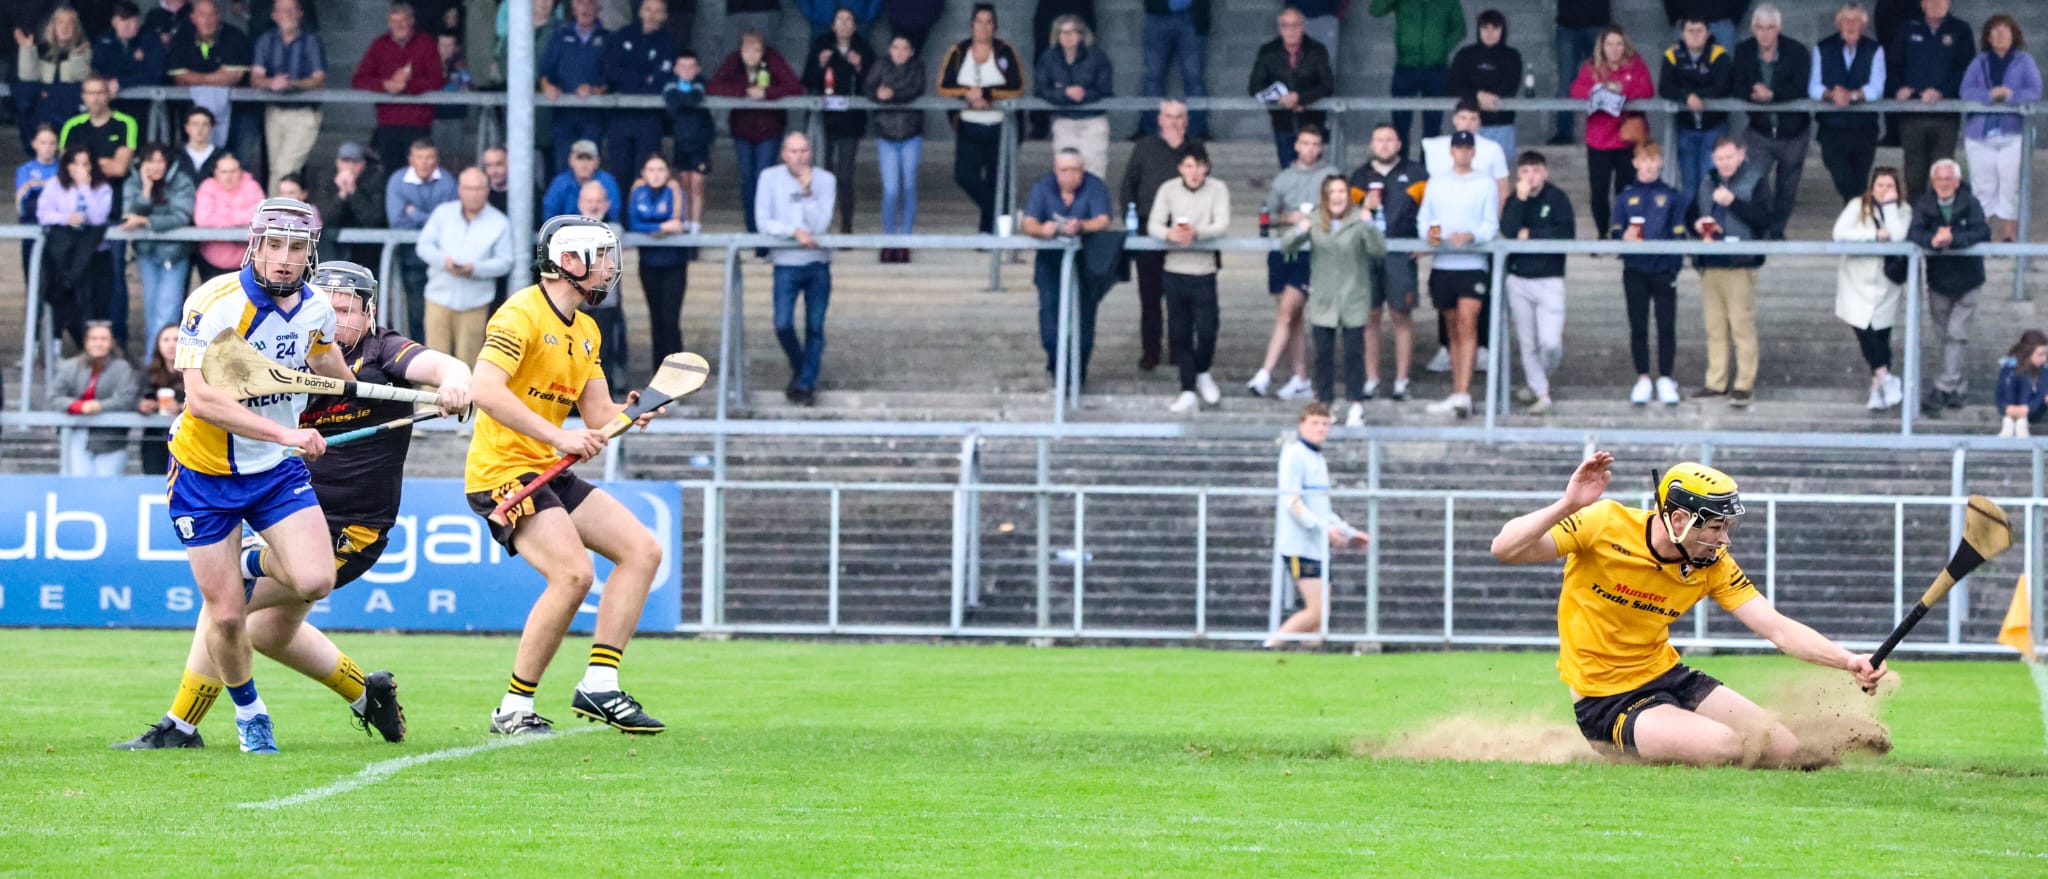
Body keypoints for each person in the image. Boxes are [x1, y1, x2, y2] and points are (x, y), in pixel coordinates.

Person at [114, 261, 467, 752]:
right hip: (286, 511)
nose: (337, 318)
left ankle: (181, 725)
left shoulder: (384, 351)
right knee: (269, 632)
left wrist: (455, 383)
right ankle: (366, 696)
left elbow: (442, 367)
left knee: (228, 604)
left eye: (348, 309)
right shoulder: (288, 345)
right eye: (330, 306)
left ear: (369, 313)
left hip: (350, 530)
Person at [1491, 452, 1889, 767]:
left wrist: (1847, 660)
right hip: (1606, 700)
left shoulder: (1712, 564)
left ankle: (1674, 728)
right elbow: (1505, 549)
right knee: (1724, 746)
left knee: (1787, 752)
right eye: (1715, 528)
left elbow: (1777, 628)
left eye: (1726, 527)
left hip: (1669, 676)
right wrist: (1568, 504)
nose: (1724, 540)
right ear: (1679, 519)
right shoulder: (1603, 524)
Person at [160, 198, 352, 754]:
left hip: (273, 472)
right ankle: (250, 712)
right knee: (224, 618)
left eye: (296, 247)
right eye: (274, 245)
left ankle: (249, 561)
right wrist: (287, 433)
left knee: (316, 580)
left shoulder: (317, 309)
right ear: (255, 246)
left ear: (310, 253)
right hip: (204, 473)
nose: (284, 258)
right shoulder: (213, 302)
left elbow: (328, 368)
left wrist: (384, 393)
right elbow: (200, 400)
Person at [468, 215, 668, 736]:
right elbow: (484, 389)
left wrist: (633, 412)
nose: (609, 268)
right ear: (569, 261)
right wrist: (560, 437)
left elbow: (598, 414)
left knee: (642, 551)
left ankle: (600, 684)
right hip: (504, 471)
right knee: (574, 575)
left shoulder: (587, 330)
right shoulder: (520, 314)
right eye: (601, 258)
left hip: (548, 467)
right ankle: (513, 707)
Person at [1281, 175, 1388, 425]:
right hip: (1324, 298)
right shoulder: (1316, 220)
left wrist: (1370, 225)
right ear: (1325, 196)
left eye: (1342, 191)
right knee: (1322, 355)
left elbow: (1378, 250)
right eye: (1332, 192)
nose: (1338, 197)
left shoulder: (1358, 219)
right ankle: (1325, 403)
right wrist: (1300, 229)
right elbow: (1286, 246)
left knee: (1354, 353)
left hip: (1353, 296)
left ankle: (1356, 404)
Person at [1267, 402, 1370, 648]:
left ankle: (1305, 661)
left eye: (1325, 424)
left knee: (1318, 625)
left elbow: (1322, 508)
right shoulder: (1294, 455)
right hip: (1299, 545)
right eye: (1315, 423)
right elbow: (1292, 502)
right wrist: (1322, 529)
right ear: (1302, 425)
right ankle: (1269, 646)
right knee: (1317, 612)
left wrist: (1350, 532)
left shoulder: (1318, 459)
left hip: (1316, 546)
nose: (1320, 428)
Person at [1248, 124, 1334, 402]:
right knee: (1292, 318)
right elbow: (1268, 214)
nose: (1310, 149)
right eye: (1305, 143)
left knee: (1286, 313)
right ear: (1296, 146)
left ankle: (1265, 373)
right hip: (1283, 249)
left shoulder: (1330, 176)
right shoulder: (1283, 178)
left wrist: (1314, 219)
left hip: (1312, 252)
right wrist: (1289, 217)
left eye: (1315, 144)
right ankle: (1300, 378)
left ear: (1321, 148)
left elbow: (1339, 211)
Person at [1416, 131, 1498, 419]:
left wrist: (1471, 235)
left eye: (1467, 148)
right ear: (1451, 151)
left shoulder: (1485, 183)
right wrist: (1432, 236)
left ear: (1473, 152)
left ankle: (1464, 392)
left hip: (1473, 264)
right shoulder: (1437, 182)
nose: (1463, 152)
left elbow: (1490, 224)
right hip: (1443, 264)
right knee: (1452, 328)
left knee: (1468, 323)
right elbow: (1426, 219)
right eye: (1459, 147)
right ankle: (1457, 390)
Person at [1120, 100, 1203, 373]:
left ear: (1186, 121)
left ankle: (1180, 352)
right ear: (1160, 120)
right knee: (1150, 298)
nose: (1174, 122)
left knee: (1182, 298)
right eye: (1169, 116)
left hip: (1184, 233)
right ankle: (1151, 352)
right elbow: (1128, 186)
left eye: (1179, 117)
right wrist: (1131, 225)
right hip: (1149, 233)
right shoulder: (1144, 147)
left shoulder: (1196, 148)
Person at [756, 133, 837, 406]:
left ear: (810, 153)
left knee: (815, 326)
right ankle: (801, 366)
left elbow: (821, 225)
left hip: (817, 263)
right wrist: (794, 231)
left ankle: (806, 383)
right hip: (786, 263)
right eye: (793, 151)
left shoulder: (826, 180)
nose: (798, 157)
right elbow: (763, 221)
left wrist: (808, 192)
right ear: (783, 154)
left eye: (803, 151)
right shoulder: (769, 178)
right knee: (782, 324)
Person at [1348, 123, 1427, 402]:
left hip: (1400, 253)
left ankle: (1402, 381)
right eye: (1379, 140)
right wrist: (1364, 207)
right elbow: (1344, 215)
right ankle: (1371, 378)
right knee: (1369, 317)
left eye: (1389, 139)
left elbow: (1435, 210)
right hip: (1367, 252)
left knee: (1400, 315)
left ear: (1399, 144)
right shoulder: (1359, 177)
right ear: (1371, 144)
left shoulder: (1416, 173)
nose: (1384, 145)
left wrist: (1427, 241)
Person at [1150, 143, 1230, 416]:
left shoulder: (1218, 189)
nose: (1194, 172)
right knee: (1179, 332)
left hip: (1204, 270)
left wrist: (1198, 233)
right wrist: (1169, 234)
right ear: (1180, 168)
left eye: (1199, 166)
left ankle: (1203, 371)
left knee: (1207, 328)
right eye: (1188, 166)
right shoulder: (1168, 189)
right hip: (1174, 269)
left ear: (1207, 167)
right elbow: (1154, 223)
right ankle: (1187, 388)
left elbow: (1222, 224)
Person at [1022, 148, 1113, 386]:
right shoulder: (1043, 186)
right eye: (1064, 170)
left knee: (1084, 318)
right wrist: (1043, 230)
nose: (1069, 175)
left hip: (1086, 260)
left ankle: (1077, 374)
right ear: (1056, 170)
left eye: (1075, 170)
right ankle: (1057, 367)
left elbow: (1103, 219)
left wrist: (1081, 226)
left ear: (1083, 170)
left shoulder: (1094, 185)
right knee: (1050, 315)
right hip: (1050, 261)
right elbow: (1028, 222)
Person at [58, 76, 138, 344]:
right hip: (79, 216)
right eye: (90, 93)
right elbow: (66, 170)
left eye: (100, 92)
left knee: (114, 279)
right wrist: (103, 162)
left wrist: (85, 164)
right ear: (83, 96)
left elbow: (120, 168)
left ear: (108, 95)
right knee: (80, 276)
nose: (95, 98)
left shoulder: (125, 123)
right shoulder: (72, 126)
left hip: (113, 214)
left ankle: (119, 341)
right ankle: (86, 342)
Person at [1908, 158, 1989, 414]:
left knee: (1956, 333)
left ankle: (1943, 386)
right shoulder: (1924, 204)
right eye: (1939, 179)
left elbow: (1982, 232)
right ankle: (1958, 388)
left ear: (1957, 181)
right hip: (1939, 281)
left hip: (1968, 279)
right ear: (1933, 182)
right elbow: (1914, 233)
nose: (1944, 184)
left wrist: (1953, 238)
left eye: (1948, 179)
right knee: (1945, 337)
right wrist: (1933, 240)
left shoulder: (1970, 202)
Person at [706, 31, 801, 248]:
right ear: (740, 50)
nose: (751, 54)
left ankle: (765, 234)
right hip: (742, 131)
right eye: (747, 49)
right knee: (747, 180)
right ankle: (753, 230)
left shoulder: (773, 60)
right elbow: (713, 86)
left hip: (769, 130)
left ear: (763, 50)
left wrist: (767, 93)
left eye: (756, 49)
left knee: (763, 178)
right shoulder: (733, 62)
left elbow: (794, 86)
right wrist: (744, 91)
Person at [937, 4, 1026, 235]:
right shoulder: (958, 51)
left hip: (1000, 127)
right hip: (970, 126)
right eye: (979, 21)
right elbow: (943, 86)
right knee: (964, 175)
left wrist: (986, 95)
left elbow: (1017, 87)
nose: (983, 27)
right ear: (971, 25)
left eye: (988, 22)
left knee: (999, 180)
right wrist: (967, 93)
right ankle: (1001, 213)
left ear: (995, 26)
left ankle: (989, 233)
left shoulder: (1005, 51)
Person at [1498, 151, 1575, 415]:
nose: (1531, 176)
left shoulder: (1557, 198)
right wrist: (1520, 199)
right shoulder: (1514, 199)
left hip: (1550, 278)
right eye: (1525, 171)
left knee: (1550, 343)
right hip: (1519, 278)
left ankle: (1537, 379)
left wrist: (1530, 234)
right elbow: (1508, 229)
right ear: (1518, 174)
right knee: (1528, 342)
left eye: (1536, 170)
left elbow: (1566, 233)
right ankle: (1541, 391)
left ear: (1545, 172)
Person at [1611, 143, 1686, 406]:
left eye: (1654, 160)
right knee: (1638, 325)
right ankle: (1642, 377)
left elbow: (1679, 233)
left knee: (1666, 325)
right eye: (1644, 160)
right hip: (1635, 270)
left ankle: (1665, 377)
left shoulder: (1672, 196)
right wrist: (1623, 237)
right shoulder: (1624, 196)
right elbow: (1614, 232)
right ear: (1635, 163)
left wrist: (1674, 266)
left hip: (1663, 270)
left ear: (1661, 162)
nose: (1649, 165)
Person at [1831, 166, 1909, 411]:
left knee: (1881, 335)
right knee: (1863, 330)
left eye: (1890, 186)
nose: (1884, 190)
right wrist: (1874, 235)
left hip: (1886, 283)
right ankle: (1886, 378)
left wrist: (1890, 207)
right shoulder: (1857, 205)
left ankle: (1878, 386)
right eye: (1880, 185)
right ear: (1872, 187)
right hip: (1856, 280)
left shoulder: (1904, 210)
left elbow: (1898, 235)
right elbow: (1839, 233)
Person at [415, 168, 512, 365]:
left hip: (475, 302)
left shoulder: (499, 222)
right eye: (469, 188)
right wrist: (444, 261)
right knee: (433, 362)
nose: (474, 194)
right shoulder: (443, 213)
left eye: (479, 188)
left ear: (487, 190)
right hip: (438, 298)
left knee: (469, 362)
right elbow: (423, 246)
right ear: (460, 190)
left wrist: (475, 269)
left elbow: (505, 262)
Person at [1731, 4, 1810, 241]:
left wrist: (1773, 95)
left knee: (1787, 189)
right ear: (1753, 29)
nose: (1765, 34)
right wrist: (1751, 93)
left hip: (1793, 133)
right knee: (1754, 183)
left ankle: (1776, 231)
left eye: (1770, 28)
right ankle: (1757, 229)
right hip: (1760, 131)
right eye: (1760, 28)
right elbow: (1735, 84)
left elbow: (1801, 87)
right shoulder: (1744, 51)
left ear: (1779, 28)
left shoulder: (1796, 51)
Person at [1958, 15, 2039, 245]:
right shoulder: (1980, 61)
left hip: (2013, 133)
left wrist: (2010, 96)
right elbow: (1965, 91)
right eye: (1995, 30)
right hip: (1979, 134)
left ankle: (2009, 237)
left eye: (2005, 30)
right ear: (1988, 37)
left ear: (2014, 35)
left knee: (2009, 185)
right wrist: (1989, 95)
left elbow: (2034, 91)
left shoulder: (2024, 61)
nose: (2000, 35)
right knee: (1983, 187)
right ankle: (1982, 236)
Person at [1572, 25, 1654, 237]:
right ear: (1602, 46)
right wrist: (1599, 92)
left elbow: (1647, 90)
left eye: (1619, 44)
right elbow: (1577, 90)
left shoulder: (1636, 64)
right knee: (1598, 192)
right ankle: (1602, 233)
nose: (1614, 49)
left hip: (1627, 138)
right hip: (1598, 139)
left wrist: (1620, 93)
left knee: (1625, 190)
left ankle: (1621, 233)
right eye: (1609, 44)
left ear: (1625, 46)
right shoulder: (1591, 67)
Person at [1890, 0, 1973, 203]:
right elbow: (1893, 64)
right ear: (1923, 4)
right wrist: (1898, 88)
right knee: (1914, 174)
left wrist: (1943, 92)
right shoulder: (1908, 28)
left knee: (1943, 172)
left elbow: (1966, 69)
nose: (1936, 4)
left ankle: (1941, 217)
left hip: (1945, 116)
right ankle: (1916, 216)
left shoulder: (1960, 29)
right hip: (1912, 114)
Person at [165, 0, 255, 179]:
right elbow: (179, 78)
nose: (207, 20)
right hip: (193, 115)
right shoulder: (182, 36)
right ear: (193, 18)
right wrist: (216, 77)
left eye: (211, 15)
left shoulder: (234, 36)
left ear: (219, 16)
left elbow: (233, 77)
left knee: (235, 166)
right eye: (202, 15)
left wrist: (195, 78)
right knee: (196, 168)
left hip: (237, 115)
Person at [38, 145, 116, 350]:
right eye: (75, 164)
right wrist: (65, 218)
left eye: (85, 164)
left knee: (95, 302)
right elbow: (43, 213)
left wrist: (84, 188)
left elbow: (98, 218)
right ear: (67, 166)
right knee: (62, 299)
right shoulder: (55, 184)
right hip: (64, 257)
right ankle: (56, 346)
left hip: (95, 255)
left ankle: (96, 349)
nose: (80, 169)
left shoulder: (102, 187)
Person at [353, 1, 446, 171]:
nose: (399, 26)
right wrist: (385, 85)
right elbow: (359, 80)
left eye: (403, 21)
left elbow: (437, 81)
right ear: (388, 22)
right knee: (391, 173)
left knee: (420, 173)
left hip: (419, 123)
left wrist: (408, 86)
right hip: (387, 122)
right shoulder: (379, 45)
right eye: (394, 22)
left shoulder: (426, 43)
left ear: (412, 21)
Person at [804, 7, 873, 235]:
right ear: (833, 25)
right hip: (825, 119)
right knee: (822, 172)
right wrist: (820, 64)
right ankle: (820, 223)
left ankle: (846, 224)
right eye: (839, 20)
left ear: (855, 25)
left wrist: (860, 67)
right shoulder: (821, 45)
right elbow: (807, 80)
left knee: (845, 175)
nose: (844, 24)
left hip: (851, 121)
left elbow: (872, 84)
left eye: (848, 20)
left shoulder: (863, 47)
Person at [1370, 0, 1467, 157]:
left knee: (1433, 124)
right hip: (1405, 67)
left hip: (1436, 69)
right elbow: (1375, 10)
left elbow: (1460, 29)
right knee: (1400, 123)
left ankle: (1427, 167)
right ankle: (1400, 166)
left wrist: (1441, 48)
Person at [1810, 3, 1886, 203]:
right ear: (1838, 23)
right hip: (1832, 129)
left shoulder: (1875, 50)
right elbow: (1814, 87)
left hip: (1864, 130)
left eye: (1855, 20)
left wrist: (1851, 95)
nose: (1850, 25)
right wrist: (1831, 94)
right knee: (1844, 181)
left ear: (1864, 24)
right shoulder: (1822, 48)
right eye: (1846, 20)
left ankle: (1856, 217)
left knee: (1859, 183)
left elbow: (1876, 88)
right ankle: (1859, 214)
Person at [121, 142, 197, 340]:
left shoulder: (181, 181)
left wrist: (146, 221)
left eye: (160, 161)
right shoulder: (133, 182)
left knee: (167, 311)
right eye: (150, 161)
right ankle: (152, 358)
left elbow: (181, 216)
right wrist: (146, 191)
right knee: (151, 310)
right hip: (146, 253)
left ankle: (163, 359)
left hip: (174, 253)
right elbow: (129, 215)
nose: (155, 166)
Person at [249, 0, 325, 192]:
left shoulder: (311, 41)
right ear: (274, 16)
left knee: (285, 170)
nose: (288, 14)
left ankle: (273, 210)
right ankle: (280, 209)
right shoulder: (265, 40)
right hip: (274, 112)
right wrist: (271, 83)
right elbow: (255, 79)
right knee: (277, 169)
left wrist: (292, 84)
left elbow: (319, 79)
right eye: (283, 10)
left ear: (300, 13)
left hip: (304, 114)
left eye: (292, 10)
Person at [386, 138, 458, 340]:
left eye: (429, 157)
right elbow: (397, 221)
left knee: (443, 311)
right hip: (411, 258)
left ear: (437, 160)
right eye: (420, 157)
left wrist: (415, 214)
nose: (425, 163)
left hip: (442, 257)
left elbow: (451, 223)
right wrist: (435, 218)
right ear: (411, 160)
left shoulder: (447, 182)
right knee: (417, 313)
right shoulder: (397, 180)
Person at [1661, 17, 1734, 215]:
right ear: (1682, 34)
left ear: (1708, 33)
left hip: (1714, 129)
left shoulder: (1719, 54)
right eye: (1690, 31)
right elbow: (1665, 87)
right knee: (1689, 186)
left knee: (1709, 183)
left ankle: (1711, 226)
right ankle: (1686, 227)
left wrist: (1695, 94)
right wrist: (1687, 96)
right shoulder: (1672, 54)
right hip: (1686, 130)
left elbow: (1724, 86)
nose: (1694, 35)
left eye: (1699, 30)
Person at [1248, 7, 1332, 170]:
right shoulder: (1268, 51)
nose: (1291, 30)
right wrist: (1280, 99)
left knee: (1314, 171)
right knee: (1287, 170)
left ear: (1302, 27)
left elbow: (1327, 86)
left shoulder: (1317, 50)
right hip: (1283, 123)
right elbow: (1255, 87)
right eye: (1285, 26)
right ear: (1280, 28)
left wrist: (1300, 98)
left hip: (1312, 123)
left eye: (1295, 25)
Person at [49, 322, 137, 476]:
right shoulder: (70, 367)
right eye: (94, 339)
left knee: (107, 484)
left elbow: (126, 397)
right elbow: (54, 396)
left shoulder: (122, 368)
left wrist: (100, 406)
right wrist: (78, 406)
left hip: (110, 440)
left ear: (111, 343)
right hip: (76, 433)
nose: (99, 343)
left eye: (104, 339)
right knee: (79, 482)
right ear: (87, 342)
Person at [627, 153, 691, 364]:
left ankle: (676, 372)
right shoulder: (638, 191)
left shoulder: (675, 190)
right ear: (644, 173)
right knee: (656, 320)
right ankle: (658, 372)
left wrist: (652, 227)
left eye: (661, 170)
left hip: (674, 263)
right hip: (648, 263)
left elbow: (677, 222)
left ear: (668, 173)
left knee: (670, 320)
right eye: (651, 170)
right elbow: (633, 224)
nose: (656, 175)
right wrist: (660, 227)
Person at [605, 0, 677, 187]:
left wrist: (630, 78)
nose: (652, 15)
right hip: (620, 115)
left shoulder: (668, 43)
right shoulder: (622, 35)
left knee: (647, 174)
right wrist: (643, 78)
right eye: (648, 9)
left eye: (658, 11)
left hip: (649, 118)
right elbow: (611, 72)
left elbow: (661, 80)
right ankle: (621, 209)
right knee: (619, 173)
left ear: (665, 16)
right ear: (640, 12)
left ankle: (642, 208)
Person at [868, 35, 925, 263]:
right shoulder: (880, 65)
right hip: (887, 134)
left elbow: (915, 90)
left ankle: (905, 240)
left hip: (911, 134)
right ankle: (889, 238)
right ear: (889, 49)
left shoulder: (917, 67)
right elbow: (867, 87)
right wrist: (877, 94)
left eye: (904, 48)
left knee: (909, 186)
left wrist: (891, 94)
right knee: (891, 189)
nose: (900, 52)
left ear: (911, 51)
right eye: (895, 47)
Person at [1036, 14, 1113, 178]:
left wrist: (1084, 94)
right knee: (1066, 173)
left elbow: (1105, 89)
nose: (1068, 36)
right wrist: (1064, 93)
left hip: (1093, 120)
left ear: (1081, 35)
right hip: (1064, 120)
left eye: (1073, 32)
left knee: (1094, 171)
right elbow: (1041, 89)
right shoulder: (1048, 58)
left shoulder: (1097, 57)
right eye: (1063, 32)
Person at [539, 0, 609, 173]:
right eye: (580, 3)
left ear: (597, 7)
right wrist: (548, 87)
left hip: (593, 118)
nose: (585, 8)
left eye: (590, 3)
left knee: (589, 168)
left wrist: (594, 90)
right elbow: (545, 70)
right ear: (573, 7)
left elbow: (612, 78)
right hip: (564, 116)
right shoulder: (559, 35)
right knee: (563, 167)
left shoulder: (608, 38)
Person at [575, 180, 631, 393]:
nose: (594, 206)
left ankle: (601, 399)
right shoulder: (567, 230)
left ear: (607, 204)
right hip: (574, 304)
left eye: (598, 201)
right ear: (580, 204)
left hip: (604, 303)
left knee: (602, 354)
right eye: (589, 201)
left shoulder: (615, 230)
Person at [1447, 9, 1524, 157]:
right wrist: (1478, 95)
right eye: (1485, 28)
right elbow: (1453, 85)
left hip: (1501, 125)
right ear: (1478, 30)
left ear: (1502, 30)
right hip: (1468, 126)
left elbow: (1510, 86)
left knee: (1500, 169)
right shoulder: (1465, 55)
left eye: (1495, 28)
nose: (1490, 33)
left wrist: (1490, 98)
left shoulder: (1512, 56)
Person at [1139, 0, 1211, 138]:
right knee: (1153, 76)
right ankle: (1150, 131)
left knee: (1193, 77)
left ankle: (1197, 132)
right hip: (1158, 14)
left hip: (1192, 15)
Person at [309, 141, 385, 268]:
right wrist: (342, 195)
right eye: (345, 162)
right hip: (331, 243)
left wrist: (353, 192)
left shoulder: (374, 179)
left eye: (355, 162)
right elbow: (325, 218)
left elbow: (373, 219)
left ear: (363, 165)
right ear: (338, 163)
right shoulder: (326, 179)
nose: (350, 167)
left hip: (366, 246)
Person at [661, 52, 711, 234]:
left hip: (700, 140)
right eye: (682, 67)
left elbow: (693, 98)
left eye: (691, 67)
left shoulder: (701, 83)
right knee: (684, 183)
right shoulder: (670, 84)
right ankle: (685, 222)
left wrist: (683, 99)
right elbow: (672, 101)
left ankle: (695, 225)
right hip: (681, 141)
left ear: (698, 69)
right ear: (675, 69)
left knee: (697, 184)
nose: (687, 71)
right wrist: (684, 99)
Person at [192, 153, 263, 280]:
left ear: (241, 172)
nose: (228, 176)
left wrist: (221, 213)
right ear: (216, 173)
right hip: (211, 262)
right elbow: (203, 219)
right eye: (224, 172)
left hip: (246, 263)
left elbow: (260, 217)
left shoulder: (252, 186)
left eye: (233, 171)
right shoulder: (207, 187)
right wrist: (241, 216)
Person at [93, 2, 167, 123]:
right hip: (111, 105)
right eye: (123, 20)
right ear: (114, 22)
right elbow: (97, 71)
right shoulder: (104, 41)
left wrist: (121, 82)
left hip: (144, 106)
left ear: (139, 22)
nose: (127, 26)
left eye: (132, 21)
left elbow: (154, 74)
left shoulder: (150, 40)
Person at [1550, 0, 1611, 145]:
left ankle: (1604, 131)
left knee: (1602, 82)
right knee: (1566, 82)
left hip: (1598, 22)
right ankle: (1564, 133)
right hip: (1568, 24)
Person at [137, 322, 183, 476]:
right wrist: (142, 405)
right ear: (158, 344)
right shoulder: (147, 373)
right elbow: (133, 397)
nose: (171, 345)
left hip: (187, 439)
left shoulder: (196, 372)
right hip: (154, 439)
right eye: (166, 340)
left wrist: (181, 407)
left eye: (177, 339)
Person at [15, 125, 60, 279]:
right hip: (32, 225)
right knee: (31, 271)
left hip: (58, 228)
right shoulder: (25, 170)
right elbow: (23, 200)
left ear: (57, 146)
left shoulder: (64, 169)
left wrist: (38, 184)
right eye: (43, 142)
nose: (47, 147)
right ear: (34, 144)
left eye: (52, 143)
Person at [541, 139, 623, 222]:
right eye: (579, 158)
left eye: (589, 159)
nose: (584, 164)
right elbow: (549, 216)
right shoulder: (559, 183)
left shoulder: (608, 182)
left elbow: (614, 216)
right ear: (570, 161)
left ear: (597, 162)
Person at [1995, 330, 2048, 437]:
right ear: (2027, 353)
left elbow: (2041, 392)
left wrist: (2028, 409)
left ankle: (2022, 421)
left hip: (2034, 409)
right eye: (2040, 355)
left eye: (2045, 354)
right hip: (2010, 408)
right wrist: (2008, 408)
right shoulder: (2009, 366)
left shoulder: (2044, 369)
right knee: (2015, 379)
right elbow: (2001, 392)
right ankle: (2010, 421)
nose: (2044, 358)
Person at [173, 106, 221, 183]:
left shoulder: (221, 156)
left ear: (211, 128)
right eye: (195, 124)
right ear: (187, 128)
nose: (200, 129)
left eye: (205, 124)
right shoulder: (175, 155)